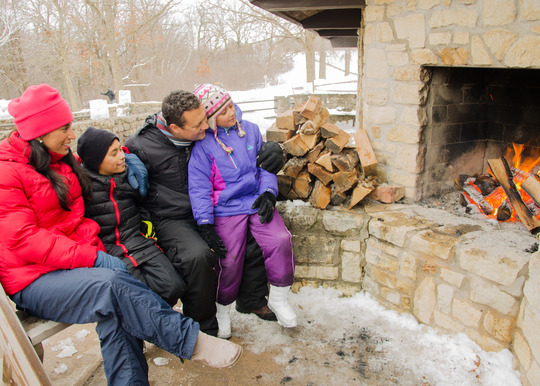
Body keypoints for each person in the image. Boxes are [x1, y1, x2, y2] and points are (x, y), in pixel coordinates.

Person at [0, 84, 241, 385]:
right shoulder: (7, 172)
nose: (71, 135)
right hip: (34, 278)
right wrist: (94, 257)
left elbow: (92, 188)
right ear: (39, 131)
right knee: (112, 286)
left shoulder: (60, 161)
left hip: (73, 266)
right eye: (64, 128)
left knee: (116, 309)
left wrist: (128, 158)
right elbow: (22, 241)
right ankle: (190, 340)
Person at [125, 90, 285, 336]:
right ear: (176, 128)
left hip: (215, 206)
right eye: (199, 123)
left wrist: (273, 149)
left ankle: (251, 299)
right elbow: (125, 191)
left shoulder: (200, 123)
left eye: (206, 118)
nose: (206, 124)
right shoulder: (142, 148)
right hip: (173, 216)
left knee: (253, 239)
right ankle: (205, 328)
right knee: (201, 257)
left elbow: (238, 137)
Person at [190, 83, 296, 337]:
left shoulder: (250, 130)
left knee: (281, 240)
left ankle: (279, 298)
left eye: (231, 105)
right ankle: (222, 310)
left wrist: (269, 193)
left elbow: (264, 168)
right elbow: (199, 186)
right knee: (229, 259)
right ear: (211, 118)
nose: (232, 112)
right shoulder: (203, 145)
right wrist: (204, 222)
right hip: (225, 209)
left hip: (256, 200)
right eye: (223, 111)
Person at [77, 126, 186, 307]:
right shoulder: (83, 188)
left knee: (173, 286)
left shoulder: (130, 176)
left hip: (137, 240)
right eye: (114, 153)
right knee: (138, 298)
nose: (122, 156)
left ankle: (153, 324)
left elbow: (143, 205)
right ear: (96, 161)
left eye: (120, 149)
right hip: (109, 251)